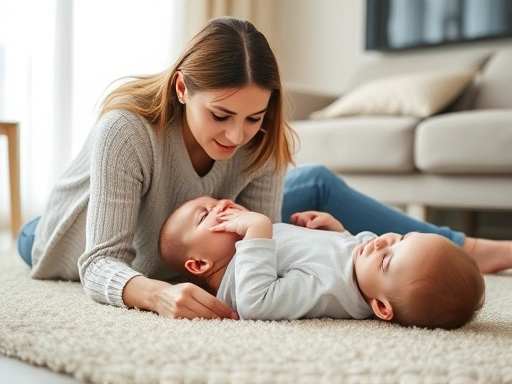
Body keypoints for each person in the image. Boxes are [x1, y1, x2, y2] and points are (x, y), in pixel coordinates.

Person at [16, 16, 511, 320]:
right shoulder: (127, 130)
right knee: (312, 184)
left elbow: (266, 244)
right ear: (183, 88)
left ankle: (459, 253)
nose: (237, 136)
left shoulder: (261, 140)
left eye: (254, 116)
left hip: (197, 235)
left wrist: (333, 243)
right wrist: (155, 295)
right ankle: (467, 249)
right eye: (221, 115)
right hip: (70, 238)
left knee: (315, 181)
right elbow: (100, 261)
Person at [159, 196, 485, 329]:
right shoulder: (364, 263)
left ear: (382, 307)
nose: (383, 240)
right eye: (401, 238)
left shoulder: (327, 288)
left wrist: (258, 229)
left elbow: (256, 303)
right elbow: (356, 248)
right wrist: (337, 232)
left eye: (388, 259)